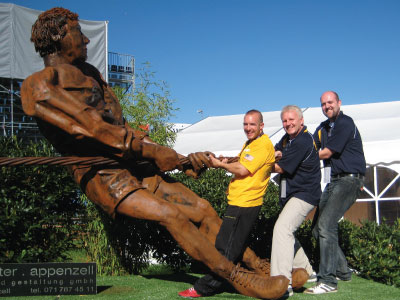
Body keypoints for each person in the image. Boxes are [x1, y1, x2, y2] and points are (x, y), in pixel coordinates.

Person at [21, 7, 289, 300]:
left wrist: (177, 157)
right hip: (102, 174)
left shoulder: (93, 75)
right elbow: (94, 129)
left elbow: (120, 126)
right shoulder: (39, 86)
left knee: (202, 208)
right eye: (78, 32)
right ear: (58, 36)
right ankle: (238, 278)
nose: (86, 40)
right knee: (170, 214)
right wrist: (153, 151)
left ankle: (259, 267)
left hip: (134, 163)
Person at [179, 110, 286, 298]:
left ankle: (203, 287)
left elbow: (243, 170)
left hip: (245, 204)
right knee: (226, 245)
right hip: (238, 202)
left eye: (252, 124)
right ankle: (231, 281)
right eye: (245, 124)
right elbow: (241, 163)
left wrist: (221, 166)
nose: (248, 128)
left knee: (226, 250)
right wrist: (227, 160)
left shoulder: (262, 145)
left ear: (261, 126)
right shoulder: (250, 144)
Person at [304, 91, 366, 294]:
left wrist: (299, 160)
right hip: (334, 181)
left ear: (339, 103)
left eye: (330, 102)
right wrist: (284, 151)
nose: (327, 106)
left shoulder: (345, 123)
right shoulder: (323, 127)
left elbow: (327, 152)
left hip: (349, 179)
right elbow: (309, 145)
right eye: (323, 104)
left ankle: (328, 281)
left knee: (326, 225)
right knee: (317, 229)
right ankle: (343, 271)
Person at [270, 105, 321, 296]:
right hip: (293, 194)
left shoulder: (302, 141)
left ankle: (281, 283)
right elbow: (272, 152)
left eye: (292, 120)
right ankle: (307, 271)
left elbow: (279, 167)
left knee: (282, 229)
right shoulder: (286, 140)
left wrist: (254, 165)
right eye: (284, 121)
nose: (288, 124)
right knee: (286, 231)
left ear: (301, 121)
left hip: (305, 194)